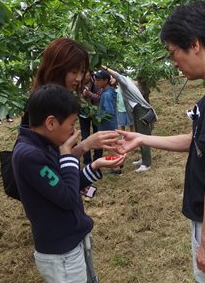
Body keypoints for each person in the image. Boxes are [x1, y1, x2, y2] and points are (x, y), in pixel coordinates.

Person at [116, 1, 205, 282]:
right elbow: (198, 141)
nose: (174, 62)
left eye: (173, 52)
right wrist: (143, 137)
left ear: (194, 44)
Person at [12, 84, 125, 283]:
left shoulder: (43, 145)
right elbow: (68, 198)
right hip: (61, 254)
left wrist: (95, 166)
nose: (74, 131)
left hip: (70, 243)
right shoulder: (30, 156)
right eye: (72, 123)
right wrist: (67, 155)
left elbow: (65, 186)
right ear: (51, 123)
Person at [22, 37, 120, 159]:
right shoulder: (43, 104)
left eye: (82, 72)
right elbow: (52, 162)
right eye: (73, 72)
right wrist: (85, 145)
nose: (79, 78)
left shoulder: (59, 98)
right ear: (56, 69)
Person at [101, 66, 157, 172]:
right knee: (139, 134)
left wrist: (105, 67)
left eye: (112, 77)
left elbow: (118, 76)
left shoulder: (124, 81)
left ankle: (147, 164)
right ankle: (144, 159)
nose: (111, 80)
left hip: (141, 110)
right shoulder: (122, 84)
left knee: (143, 136)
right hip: (136, 110)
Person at [79, 71, 102, 164]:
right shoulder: (77, 84)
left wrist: (89, 94)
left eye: (86, 74)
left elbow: (100, 97)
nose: (84, 76)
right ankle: (87, 160)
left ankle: (97, 158)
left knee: (98, 136)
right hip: (83, 114)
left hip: (96, 114)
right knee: (85, 137)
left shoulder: (96, 83)